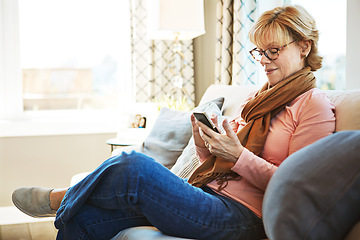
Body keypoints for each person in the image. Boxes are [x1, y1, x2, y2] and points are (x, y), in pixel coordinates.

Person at [12, 5, 335, 240]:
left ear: (304, 46)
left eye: (273, 51)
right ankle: (69, 204)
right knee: (85, 219)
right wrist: (204, 142)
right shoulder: (259, 97)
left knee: (132, 166)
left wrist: (239, 156)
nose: (263, 61)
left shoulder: (314, 106)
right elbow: (219, 165)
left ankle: (60, 198)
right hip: (210, 196)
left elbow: (296, 186)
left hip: (245, 218)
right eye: (259, 52)